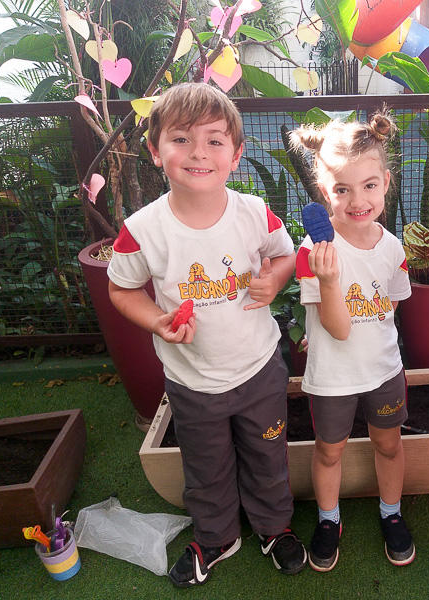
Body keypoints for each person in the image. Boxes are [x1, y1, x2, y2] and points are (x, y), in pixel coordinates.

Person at [107, 82, 307, 587]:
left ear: (235, 155)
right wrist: (157, 321)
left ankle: (273, 526)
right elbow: (121, 289)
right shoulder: (142, 229)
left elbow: (285, 255)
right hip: (192, 382)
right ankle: (217, 536)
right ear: (155, 151)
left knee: (268, 456)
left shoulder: (254, 213)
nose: (198, 152)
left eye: (214, 141)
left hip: (259, 369)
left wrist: (274, 281)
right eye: (181, 139)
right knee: (206, 467)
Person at [290, 112, 415, 572]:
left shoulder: (394, 249)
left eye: (368, 186)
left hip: (383, 371)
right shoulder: (314, 253)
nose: (357, 200)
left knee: (389, 445)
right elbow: (339, 330)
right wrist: (329, 281)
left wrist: (371, 333)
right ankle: (329, 520)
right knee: (329, 451)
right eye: (342, 190)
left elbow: (390, 307)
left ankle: (391, 512)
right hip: (333, 378)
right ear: (325, 193)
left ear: (385, 183)